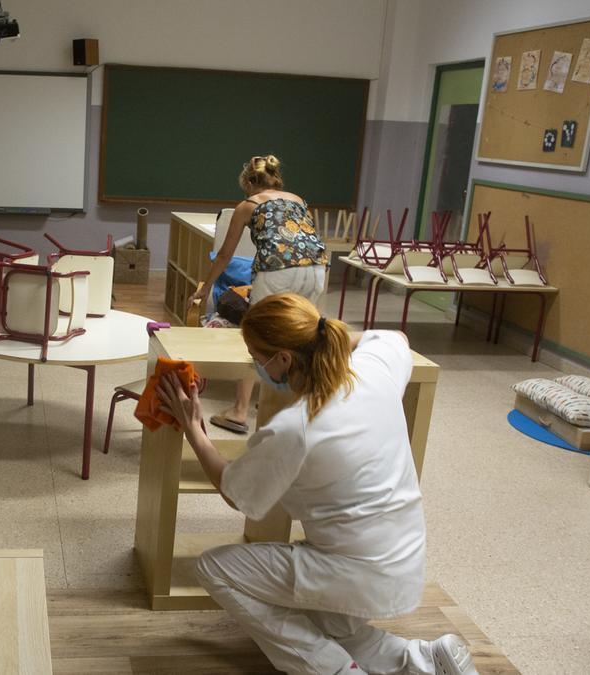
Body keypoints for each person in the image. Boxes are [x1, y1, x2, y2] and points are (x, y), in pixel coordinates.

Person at [155, 293, 477, 675]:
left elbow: (233, 490)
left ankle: (339, 672)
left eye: (257, 359)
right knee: (320, 625)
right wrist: (325, 334)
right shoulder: (372, 372)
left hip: (357, 572)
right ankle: (421, 660)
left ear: (284, 360)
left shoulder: (298, 428)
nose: (255, 366)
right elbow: (396, 338)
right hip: (403, 561)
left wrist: (194, 429)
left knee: (215, 568)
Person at [190, 154, 327, 434]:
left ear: (250, 184)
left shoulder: (248, 205)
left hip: (277, 271)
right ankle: (296, 410)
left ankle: (239, 412)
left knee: (259, 336)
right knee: (301, 336)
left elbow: (225, 254)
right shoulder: (299, 200)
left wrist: (204, 289)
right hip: (317, 270)